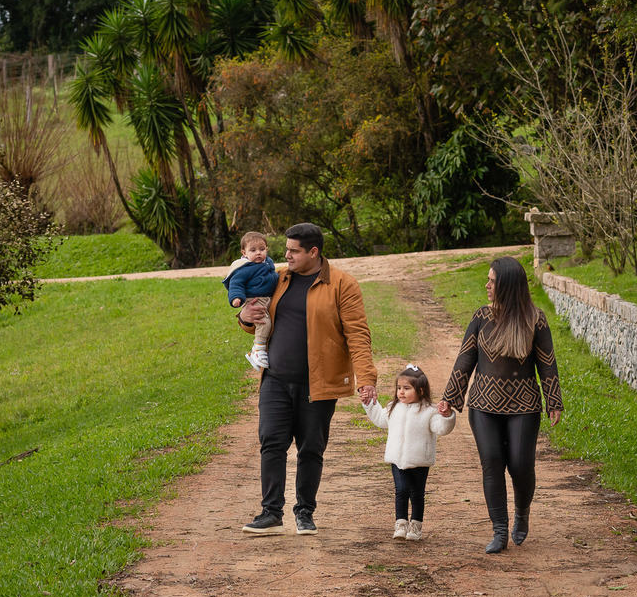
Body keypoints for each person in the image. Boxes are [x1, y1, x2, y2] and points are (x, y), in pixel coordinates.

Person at [237, 223, 378, 536]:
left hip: (318, 383)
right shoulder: (276, 277)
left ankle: (304, 513)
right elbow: (255, 312)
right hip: (275, 377)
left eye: (294, 251)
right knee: (271, 441)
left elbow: (358, 334)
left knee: (311, 448)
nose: (286, 255)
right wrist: (244, 318)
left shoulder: (342, 284)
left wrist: (366, 377)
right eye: (286, 249)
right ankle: (271, 513)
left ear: (313, 252)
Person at [438, 256, 563, 554]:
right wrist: (450, 398)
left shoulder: (535, 319)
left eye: (492, 281)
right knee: (492, 463)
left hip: (524, 405)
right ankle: (499, 530)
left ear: (507, 285)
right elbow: (465, 359)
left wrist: (553, 400)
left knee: (520, 465)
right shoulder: (481, 316)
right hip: (483, 405)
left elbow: (547, 363)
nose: (487, 285)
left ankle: (522, 512)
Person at [361, 364, 456, 542]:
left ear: (421, 390)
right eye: (399, 388)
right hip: (397, 459)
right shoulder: (393, 408)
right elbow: (380, 419)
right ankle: (401, 523)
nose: (401, 392)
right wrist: (369, 404)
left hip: (420, 460)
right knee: (401, 490)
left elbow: (442, 429)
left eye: (406, 388)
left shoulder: (429, 411)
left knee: (417, 494)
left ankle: (416, 526)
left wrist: (447, 416)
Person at [222, 231, 278, 370]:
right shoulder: (244, 268)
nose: (258, 253)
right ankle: (258, 349)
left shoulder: (268, 263)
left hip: (267, 297)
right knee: (263, 322)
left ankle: (256, 351)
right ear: (244, 252)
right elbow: (236, 284)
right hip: (254, 299)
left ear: (266, 249)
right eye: (253, 250)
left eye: (262, 249)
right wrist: (236, 298)